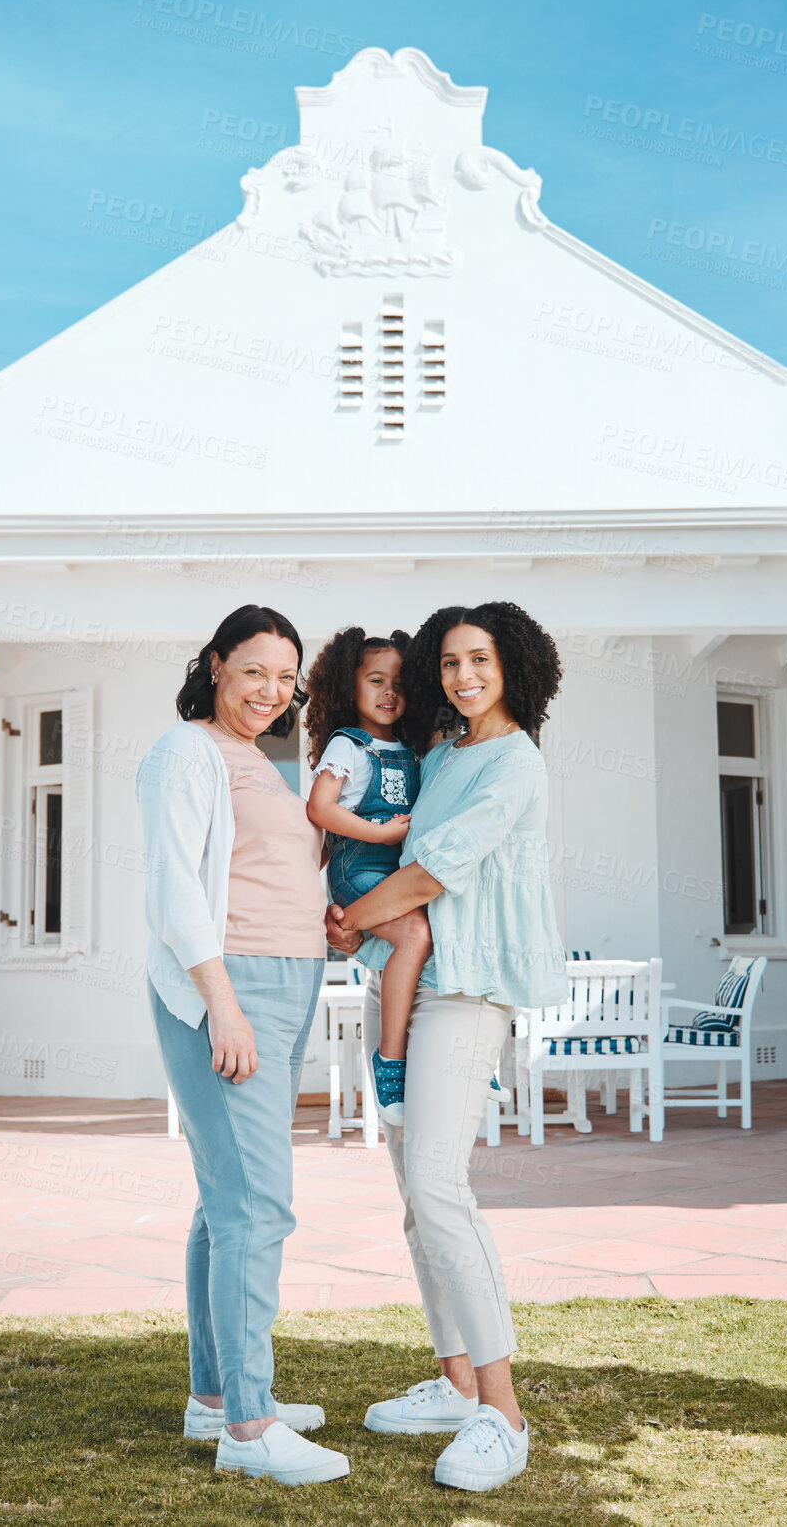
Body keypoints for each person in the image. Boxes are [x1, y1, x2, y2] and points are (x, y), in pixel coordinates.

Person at [326, 600, 567, 1494]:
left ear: (514, 666)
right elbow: (393, 869)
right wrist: (351, 919)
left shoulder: (515, 762)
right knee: (414, 1196)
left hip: (469, 991)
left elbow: (433, 872)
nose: (465, 676)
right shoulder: (439, 755)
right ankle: (458, 1380)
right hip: (413, 981)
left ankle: (502, 1412)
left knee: (438, 1184)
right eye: (452, 663)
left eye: (481, 660)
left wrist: (353, 919)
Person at [136, 603, 349, 1486]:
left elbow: (270, 867)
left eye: (284, 676)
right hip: (236, 986)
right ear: (216, 663)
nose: (271, 690)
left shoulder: (255, 759)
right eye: (254, 669)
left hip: (286, 979)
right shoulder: (186, 750)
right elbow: (175, 887)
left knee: (222, 1202)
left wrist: (325, 920)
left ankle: (216, 1397)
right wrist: (220, 1002)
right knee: (256, 1205)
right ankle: (252, 1428)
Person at [305, 628, 429, 1124]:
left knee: (442, 928)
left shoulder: (410, 748)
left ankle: (456, 1048)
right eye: (375, 680)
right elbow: (319, 807)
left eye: (398, 682)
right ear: (348, 687)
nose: (388, 692)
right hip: (359, 871)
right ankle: (390, 1060)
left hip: (397, 874)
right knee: (416, 934)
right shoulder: (347, 745)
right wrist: (378, 835)